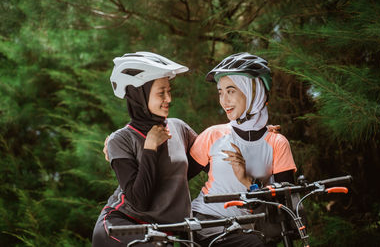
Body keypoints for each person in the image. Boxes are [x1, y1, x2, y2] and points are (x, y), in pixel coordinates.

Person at [189, 52, 297, 247]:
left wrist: (248, 182)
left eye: (231, 91)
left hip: (249, 227)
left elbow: (285, 200)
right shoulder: (214, 135)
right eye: (220, 92)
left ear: (253, 91)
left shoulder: (277, 143)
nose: (224, 100)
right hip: (208, 222)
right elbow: (175, 177)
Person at [92, 52, 198, 247]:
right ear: (139, 94)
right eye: (161, 92)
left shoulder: (179, 128)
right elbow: (140, 201)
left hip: (161, 234)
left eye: (169, 90)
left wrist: (257, 133)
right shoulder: (121, 139)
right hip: (121, 227)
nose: (169, 98)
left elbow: (213, 154)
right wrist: (150, 147)